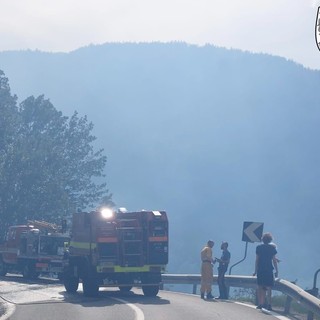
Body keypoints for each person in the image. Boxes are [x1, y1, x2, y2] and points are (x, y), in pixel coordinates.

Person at [253, 232, 279, 311]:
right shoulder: (272, 248)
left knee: (260, 287)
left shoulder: (258, 247)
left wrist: (255, 270)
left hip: (261, 269)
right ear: (270, 240)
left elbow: (257, 260)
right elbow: (274, 260)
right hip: (269, 269)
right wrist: (277, 270)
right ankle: (269, 304)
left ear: (262, 239)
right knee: (269, 287)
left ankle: (261, 303)